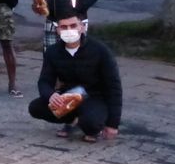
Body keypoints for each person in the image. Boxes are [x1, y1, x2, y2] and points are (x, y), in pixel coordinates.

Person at [28, 12, 122, 142]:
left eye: (73, 25)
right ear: (57, 30)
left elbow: (114, 88)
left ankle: (91, 125)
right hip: (68, 96)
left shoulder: (100, 50)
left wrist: (113, 124)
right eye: (64, 27)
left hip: (94, 97)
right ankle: (73, 120)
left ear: (82, 27)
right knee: (35, 107)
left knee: (91, 123)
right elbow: (44, 81)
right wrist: (51, 95)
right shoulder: (52, 52)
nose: (69, 30)